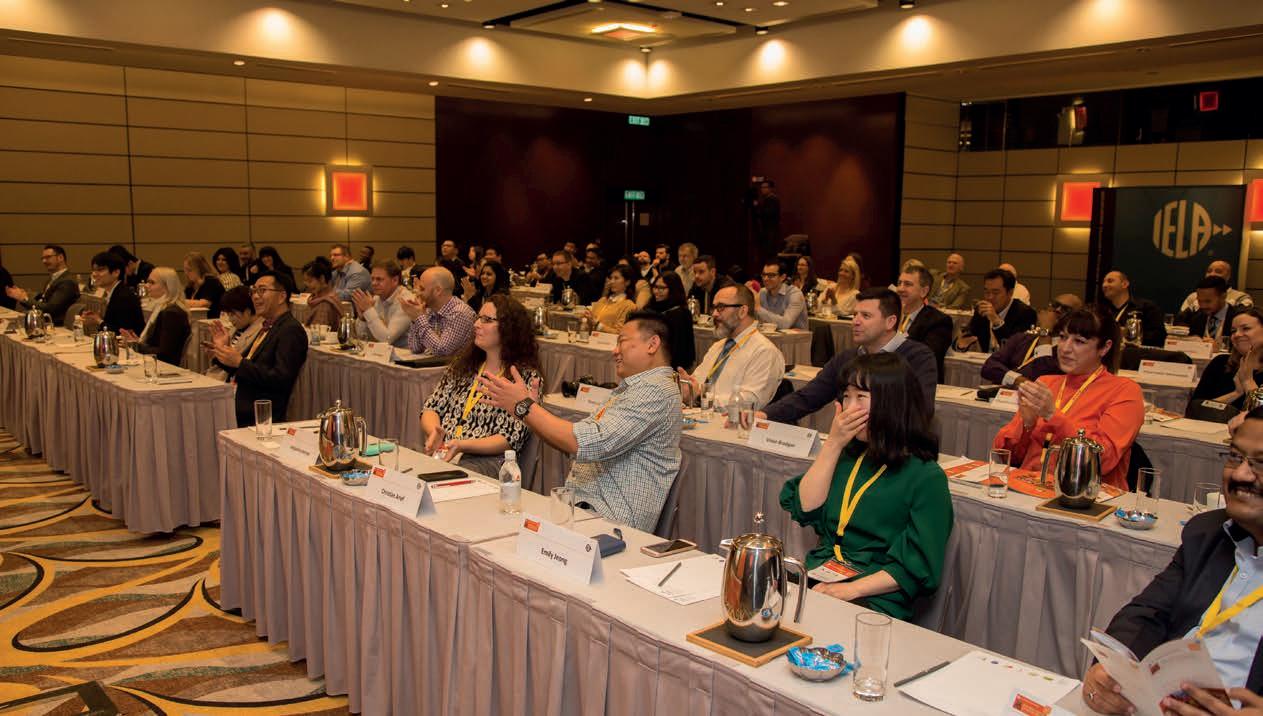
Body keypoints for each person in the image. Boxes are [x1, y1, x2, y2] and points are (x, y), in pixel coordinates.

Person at [1081, 408, 1263, 714]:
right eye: (1235, 457)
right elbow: (1147, 614)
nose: (1240, 474)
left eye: (1261, 463)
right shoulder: (1209, 534)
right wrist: (1111, 671)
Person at [779, 351, 952, 620]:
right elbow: (805, 507)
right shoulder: (848, 455)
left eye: (860, 397)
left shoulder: (926, 476)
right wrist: (833, 444)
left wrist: (852, 590)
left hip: (875, 595)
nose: (849, 408)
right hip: (822, 574)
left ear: (891, 403)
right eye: (846, 397)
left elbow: (917, 565)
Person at [479, 312, 682, 532]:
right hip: (585, 512)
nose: (615, 351)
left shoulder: (655, 391)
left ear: (652, 344)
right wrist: (531, 411)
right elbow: (578, 441)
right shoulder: (635, 389)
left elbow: (586, 443)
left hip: (610, 525)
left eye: (622, 341)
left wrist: (525, 407)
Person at [993, 308, 1143, 491]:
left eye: (1079, 341)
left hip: (1086, 494)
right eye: (1063, 337)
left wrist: (1052, 415)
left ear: (1105, 348)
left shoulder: (1124, 391)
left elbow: (1103, 460)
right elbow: (1007, 455)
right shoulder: (1046, 383)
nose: (1065, 348)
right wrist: (1027, 425)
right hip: (1029, 487)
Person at [761, 288, 939, 424]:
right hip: (853, 445)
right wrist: (764, 414)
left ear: (890, 322)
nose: (855, 321)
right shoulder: (848, 358)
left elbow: (920, 411)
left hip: (898, 450)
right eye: (855, 315)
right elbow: (808, 397)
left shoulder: (918, 357)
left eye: (866, 316)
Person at [420, 295, 543, 476]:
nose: (476, 324)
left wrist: (461, 445)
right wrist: (434, 433)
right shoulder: (463, 366)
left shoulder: (526, 377)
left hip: (488, 461)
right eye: (478, 318)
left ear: (509, 329)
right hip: (447, 450)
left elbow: (510, 437)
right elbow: (431, 407)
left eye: (487, 320)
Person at [208, 272, 309, 427]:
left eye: (262, 290)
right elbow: (246, 366)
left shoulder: (290, 330)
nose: (255, 296)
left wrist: (240, 363)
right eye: (253, 291)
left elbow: (281, 378)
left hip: (260, 413)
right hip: (242, 402)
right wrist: (222, 350)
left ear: (281, 297)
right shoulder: (269, 325)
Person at [679, 283, 784, 408]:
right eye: (714, 308)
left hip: (730, 420)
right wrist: (687, 387)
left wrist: (701, 397)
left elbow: (749, 402)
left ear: (742, 311)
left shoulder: (765, 352)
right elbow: (697, 382)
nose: (714, 314)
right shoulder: (718, 346)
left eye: (721, 307)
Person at [981, 294, 1082, 387]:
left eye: (1065, 309)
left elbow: (1042, 376)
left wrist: (1045, 330)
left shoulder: (1069, 350)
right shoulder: (1023, 338)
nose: (1058, 310)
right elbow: (989, 366)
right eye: (1055, 305)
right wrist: (1017, 380)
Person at [1190, 308, 1263, 412]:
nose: (1237, 335)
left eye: (1246, 328)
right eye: (1233, 331)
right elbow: (1195, 409)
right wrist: (1235, 393)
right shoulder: (1220, 363)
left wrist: (1249, 383)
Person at [956, 268, 1038, 353]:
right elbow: (967, 337)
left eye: (996, 293)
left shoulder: (1026, 313)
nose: (990, 297)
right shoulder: (981, 310)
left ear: (1010, 293)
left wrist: (996, 322)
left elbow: (1016, 349)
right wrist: (961, 344)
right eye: (987, 292)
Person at [895, 265, 954, 381]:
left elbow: (925, 357)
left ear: (923, 291)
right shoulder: (888, 316)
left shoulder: (939, 321)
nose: (900, 289)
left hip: (918, 384)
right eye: (899, 283)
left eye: (907, 284)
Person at [123, 267, 190, 366]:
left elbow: (164, 353)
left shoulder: (172, 313)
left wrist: (136, 346)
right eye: (147, 282)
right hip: (157, 363)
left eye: (152, 282)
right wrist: (136, 342)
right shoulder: (163, 308)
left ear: (167, 286)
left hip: (165, 367)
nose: (146, 285)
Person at [402, 266, 476, 356]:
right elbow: (415, 348)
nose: (418, 293)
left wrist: (419, 318)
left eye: (422, 289)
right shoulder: (430, 310)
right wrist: (415, 319)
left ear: (438, 291)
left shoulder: (459, 313)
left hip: (452, 365)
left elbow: (442, 351)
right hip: (434, 364)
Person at [5, 244, 79, 325]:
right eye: (43, 258)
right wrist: (24, 295)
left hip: (54, 325)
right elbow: (43, 299)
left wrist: (24, 299)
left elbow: (50, 309)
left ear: (60, 258)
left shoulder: (67, 282)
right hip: (44, 322)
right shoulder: (54, 278)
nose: (44, 261)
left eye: (48, 257)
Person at [352, 260, 413, 349]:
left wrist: (368, 310)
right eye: (372, 279)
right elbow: (362, 337)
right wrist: (363, 318)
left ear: (395, 280)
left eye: (379, 279)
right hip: (382, 353)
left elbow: (386, 339)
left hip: (405, 354)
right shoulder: (377, 298)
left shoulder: (406, 301)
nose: (374, 283)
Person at [205, 287, 262, 382]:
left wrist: (220, 355)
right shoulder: (237, 327)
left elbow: (238, 367)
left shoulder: (260, 331)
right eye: (228, 314)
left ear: (247, 311)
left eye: (232, 314)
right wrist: (218, 351)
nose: (230, 319)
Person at [82, 250, 143, 335]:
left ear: (116, 272)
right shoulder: (115, 292)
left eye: (100, 270)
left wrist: (98, 321)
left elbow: (121, 332)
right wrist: (95, 318)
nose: (94, 274)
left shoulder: (123, 297)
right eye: (94, 270)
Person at [1099, 269, 1166, 347]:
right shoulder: (1102, 310)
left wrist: (1129, 334)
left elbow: (1159, 337)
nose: (1104, 285)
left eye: (1110, 281)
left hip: (1134, 352)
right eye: (1103, 282)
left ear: (1125, 284)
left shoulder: (1146, 307)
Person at [646, 271, 695, 370]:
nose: (656, 291)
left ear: (673, 289)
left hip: (671, 368)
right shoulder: (651, 307)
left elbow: (679, 349)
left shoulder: (680, 313)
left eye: (662, 288)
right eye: (655, 287)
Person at [1178, 275, 1240, 344]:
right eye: (1199, 301)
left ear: (1223, 296)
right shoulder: (1197, 317)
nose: (1203, 306)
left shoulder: (1237, 318)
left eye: (1208, 301)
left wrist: (1220, 346)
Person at [1179, 260, 1254, 314]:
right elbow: (1180, 321)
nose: (1212, 274)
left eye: (1218, 271)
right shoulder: (1193, 297)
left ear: (1228, 276)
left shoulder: (1241, 297)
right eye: (1209, 271)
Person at [756, 259, 808, 330]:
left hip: (794, 337)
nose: (765, 279)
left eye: (771, 275)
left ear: (782, 277)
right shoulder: (762, 292)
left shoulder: (795, 294)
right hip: (770, 336)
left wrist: (758, 309)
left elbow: (785, 324)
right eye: (764, 275)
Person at [587, 265, 638, 334]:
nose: (611, 281)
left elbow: (620, 332)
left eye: (616, 278)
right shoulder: (603, 300)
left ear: (627, 282)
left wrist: (598, 325)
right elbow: (591, 322)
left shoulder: (629, 305)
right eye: (611, 278)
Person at [300, 257, 343, 329]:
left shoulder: (325, 304)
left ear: (322, 279)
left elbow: (319, 332)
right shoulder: (323, 297)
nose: (307, 285)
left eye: (310, 281)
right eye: (305, 281)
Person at [182, 252, 225, 318]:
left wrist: (179, 301)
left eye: (189, 270)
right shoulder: (190, 285)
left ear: (199, 269)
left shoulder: (211, 281)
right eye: (185, 270)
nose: (186, 273)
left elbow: (204, 304)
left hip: (213, 321)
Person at [751, 179, 781, 259]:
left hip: (771, 230)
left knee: (770, 252)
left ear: (770, 188)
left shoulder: (773, 199)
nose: (762, 189)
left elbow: (769, 213)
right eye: (762, 187)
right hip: (766, 230)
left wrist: (758, 206)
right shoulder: (766, 199)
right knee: (765, 251)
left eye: (765, 187)